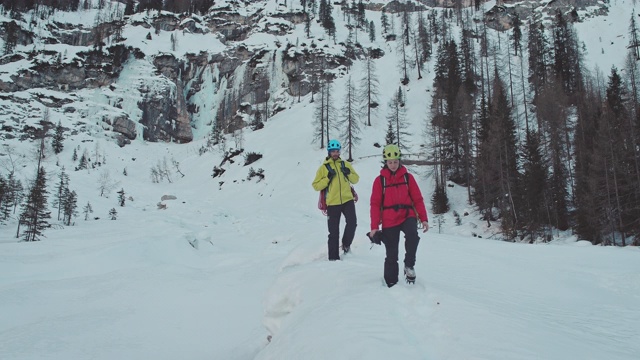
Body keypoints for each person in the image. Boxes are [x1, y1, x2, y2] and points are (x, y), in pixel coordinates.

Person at [368, 144, 429, 287]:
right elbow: (375, 204)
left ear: (399, 161)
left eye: (396, 161)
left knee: (413, 235)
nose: (393, 165)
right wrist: (374, 227)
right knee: (391, 253)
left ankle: (409, 265)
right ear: (385, 162)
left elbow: (418, 199)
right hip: (389, 219)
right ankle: (390, 284)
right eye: (390, 162)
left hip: (407, 214)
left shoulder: (408, 178)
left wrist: (424, 218)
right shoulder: (379, 181)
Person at [312, 139, 360, 260]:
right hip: (332, 202)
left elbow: (355, 179)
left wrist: (348, 173)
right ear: (329, 152)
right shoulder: (323, 168)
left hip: (347, 200)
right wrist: (327, 178)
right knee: (333, 232)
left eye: (337, 151)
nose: (335, 153)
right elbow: (316, 185)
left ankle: (346, 244)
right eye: (333, 151)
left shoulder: (345, 164)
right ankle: (333, 258)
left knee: (352, 223)